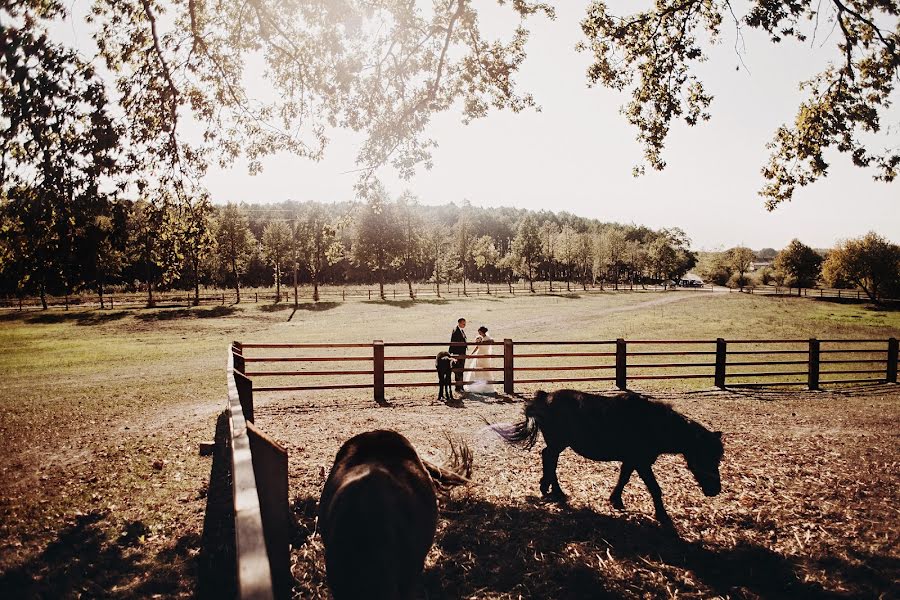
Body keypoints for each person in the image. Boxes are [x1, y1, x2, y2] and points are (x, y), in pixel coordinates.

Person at [464, 326, 496, 394]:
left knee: (486, 371)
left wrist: (483, 342)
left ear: (483, 332)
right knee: (477, 371)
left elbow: (492, 341)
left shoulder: (488, 338)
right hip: (479, 355)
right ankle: (477, 387)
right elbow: (477, 347)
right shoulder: (479, 338)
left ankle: (487, 387)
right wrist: (471, 354)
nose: (479, 333)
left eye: (480, 332)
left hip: (485, 356)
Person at [449, 318, 467, 393]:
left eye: (465, 324)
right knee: (458, 370)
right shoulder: (456, 331)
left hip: (462, 353)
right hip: (458, 353)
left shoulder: (461, 330)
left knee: (461, 370)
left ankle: (460, 386)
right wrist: (455, 355)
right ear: (459, 323)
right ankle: (458, 387)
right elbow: (454, 343)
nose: (465, 325)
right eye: (463, 324)